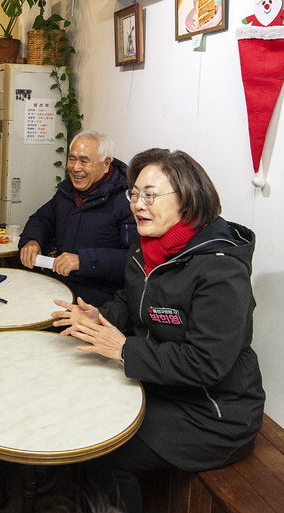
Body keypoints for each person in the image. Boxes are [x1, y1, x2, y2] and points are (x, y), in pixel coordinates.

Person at [52, 149, 265, 513]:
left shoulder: (221, 271)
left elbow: (207, 364)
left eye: (150, 195)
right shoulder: (147, 249)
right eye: (134, 194)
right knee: (79, 404)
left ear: (188, 199)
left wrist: (122, 350)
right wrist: (100, 315)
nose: (138, 205)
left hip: (213, 412)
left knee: (104, 443)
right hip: (162, 386)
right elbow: (130, 302)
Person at [19, 130, 137, 306]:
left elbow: (134, 260)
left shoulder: (128, 201)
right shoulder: (67, 191)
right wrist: (32, 240)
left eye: (84, 161)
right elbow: (41, 219)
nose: (75, 168)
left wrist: (84, 260)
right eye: (72, 159)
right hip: (60, 287)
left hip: (99, 302)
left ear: (106, 164)